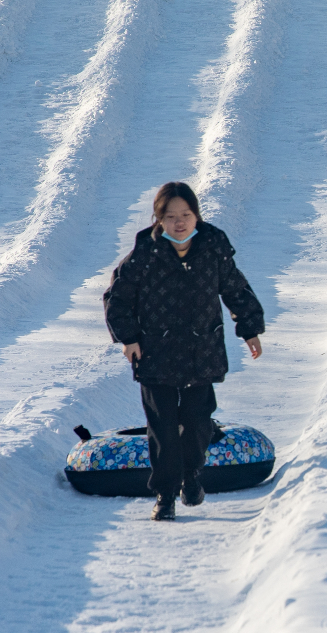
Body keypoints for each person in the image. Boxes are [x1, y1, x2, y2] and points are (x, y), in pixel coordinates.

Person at [104, 183, 265, 522]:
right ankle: (165, 496)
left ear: (197, 216)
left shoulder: (213, 246)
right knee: (162, 429)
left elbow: (234, 288)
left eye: (186, 215)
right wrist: (128, 338)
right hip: (154, 354)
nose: (179, 223)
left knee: (196, 424)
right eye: (170, 216)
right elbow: (117, 298)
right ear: (158, 219)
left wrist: (249, 328)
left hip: (200, 351)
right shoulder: (145, 253)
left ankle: (191, 475)